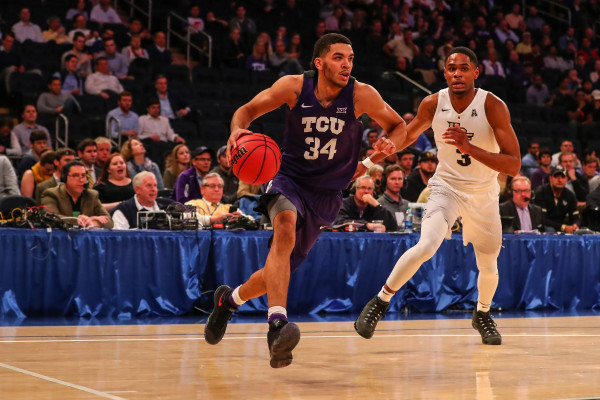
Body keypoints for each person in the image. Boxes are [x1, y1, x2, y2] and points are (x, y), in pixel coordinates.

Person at [203, 33, 406, 368]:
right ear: (319, 62)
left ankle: (229, 300)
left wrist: (391, 144)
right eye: (339, 57)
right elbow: (247, 110)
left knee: (275, 272)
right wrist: (236, 131)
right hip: (288, 178)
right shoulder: (294, 87)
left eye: (351, 58)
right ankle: (277, 325)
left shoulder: (362, 95)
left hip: (326, 195)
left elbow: (398, 125)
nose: (347, 64)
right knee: (284, 227)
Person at [353, 47, 521, 346]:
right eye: (452, 68)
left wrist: (471, 149)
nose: (458, 73)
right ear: (445, 73)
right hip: (446, 187)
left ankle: (482, 314)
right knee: (426, 245)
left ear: (475, 72)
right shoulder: (433, 103)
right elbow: (407, 134)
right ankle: (379, 302)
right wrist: (378, 155)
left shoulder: (493, 106)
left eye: (464, 68)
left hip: (483, 193)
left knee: (489, 264)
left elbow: (513, 164)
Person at [42, 160, 113, 228]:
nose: (81, 179)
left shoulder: (92, 195)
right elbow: (51, 218)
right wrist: (80, 221)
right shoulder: (51, 194)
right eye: (75, 175)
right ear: (64, 178)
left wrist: (92, 222)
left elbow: (109, 221)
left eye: (83, 175)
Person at [533, 165, 579, 233]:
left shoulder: (570, 195)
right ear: (550, 178)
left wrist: (575, 225)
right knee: (550, 230)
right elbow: (542, 219)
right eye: (556, 177)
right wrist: (562, 227)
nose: (560, 180)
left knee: (580, 231)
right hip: (544, 226)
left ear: (566, 179)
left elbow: (575, 216)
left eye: (562, 177)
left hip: (562, 226)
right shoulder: (540, 193)